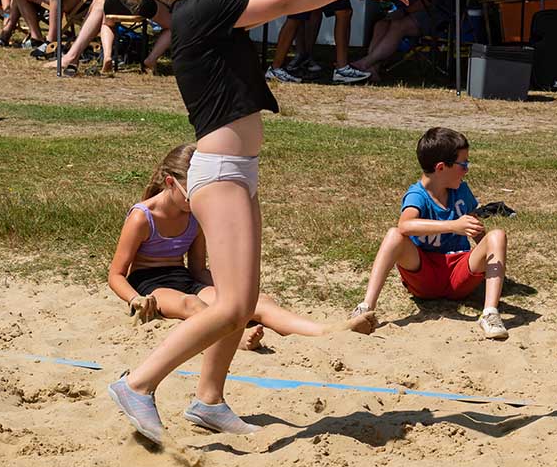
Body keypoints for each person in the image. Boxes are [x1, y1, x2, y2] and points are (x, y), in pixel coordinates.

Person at [107, 0, 408, 445]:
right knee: (231, 305)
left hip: (236, 170)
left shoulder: (199, 10)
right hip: (220, 172)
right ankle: (138, 383)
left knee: (237, 299)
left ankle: (209, 400)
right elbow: (288, 0)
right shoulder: (199, 9)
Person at [109, 143, 377, 350]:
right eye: (194, 191)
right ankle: (235, 341)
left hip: (184, 278)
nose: (200, 198)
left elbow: (198, 268)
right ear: (170, 183)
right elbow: (116, 274)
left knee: (254, 303)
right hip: (150, 286)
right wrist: (135, 299)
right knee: (190, 304)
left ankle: (325, 330)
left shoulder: (194, 212)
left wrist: (232, 292)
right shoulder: (142, 217)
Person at [350, 127, 509, 340]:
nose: (467, 169)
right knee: (393, 235)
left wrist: (490, 255)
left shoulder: (461, 190)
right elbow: (405, 226)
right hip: (424, 274)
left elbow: (476, 230)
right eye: (463, 164)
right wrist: (453, 226)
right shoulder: (417, 195)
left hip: (458, 274)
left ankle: (490, 313)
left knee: (497, 235)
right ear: (441, 167)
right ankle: (366, 309)